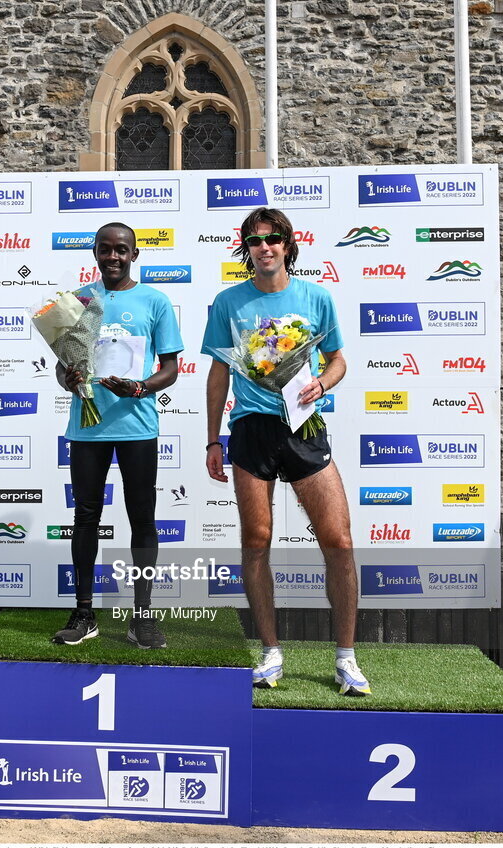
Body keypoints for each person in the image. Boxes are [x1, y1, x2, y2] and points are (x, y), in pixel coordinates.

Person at [201, 207, 370, 696]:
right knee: (256, 540)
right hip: (250, 428)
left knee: (338, 540)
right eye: (254, 241)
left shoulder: (316, 297)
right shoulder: (228, 302)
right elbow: (218, 374)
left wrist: (321, 382)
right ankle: (271, 651)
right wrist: (213, 439)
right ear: (246, 250)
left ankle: (346, 658)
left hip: (303, 426)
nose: (264, 247)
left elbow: (338, 360)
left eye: (272, 239)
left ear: (288, 245)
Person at [53, 222, 183, 649]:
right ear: (94, 252)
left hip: (137, 426)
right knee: (85, 518)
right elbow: (62, 367)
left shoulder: (155, 301)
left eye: (121, 250)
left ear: (134, 254)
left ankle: (142, 616)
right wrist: (69, 377)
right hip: (88, 427)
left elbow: (170, 368)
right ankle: (84, 612)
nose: (113, 256)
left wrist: (143, 387)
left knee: (142, 520)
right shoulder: (79, 301)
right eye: (105, 249)